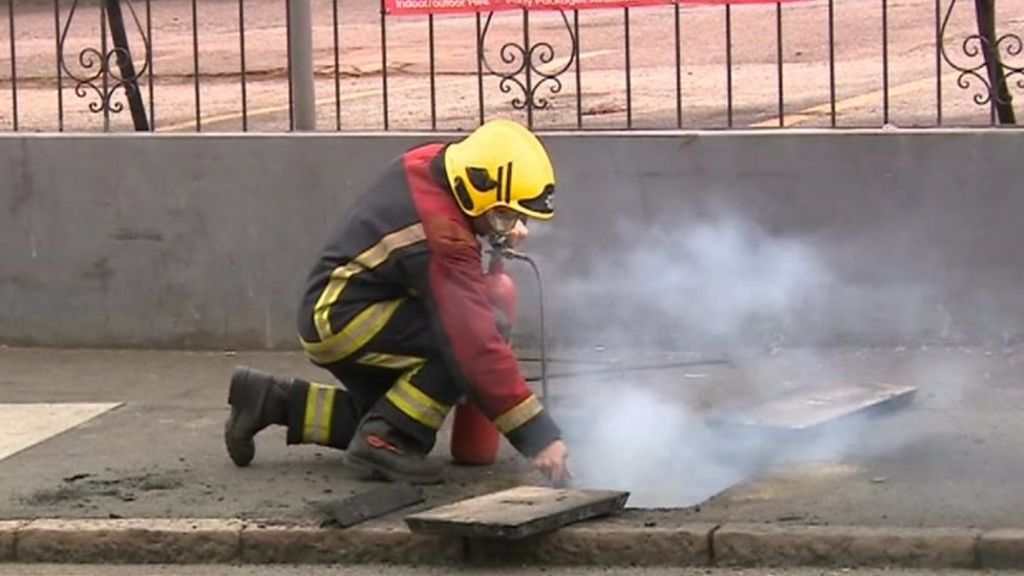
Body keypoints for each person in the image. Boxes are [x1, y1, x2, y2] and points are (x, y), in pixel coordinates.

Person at [223, 118, 571, 487]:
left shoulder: (434, 160)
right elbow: (475, 343)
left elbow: (451, 231)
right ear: (474, 190)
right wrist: (540, 437)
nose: (513, 224)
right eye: (505, 215)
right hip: (343, 320)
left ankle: (269, 401)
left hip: (342, 304)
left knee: (397, 413)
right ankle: (381, 442)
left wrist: (494, 222)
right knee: (468, 343)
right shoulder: (444, 236)